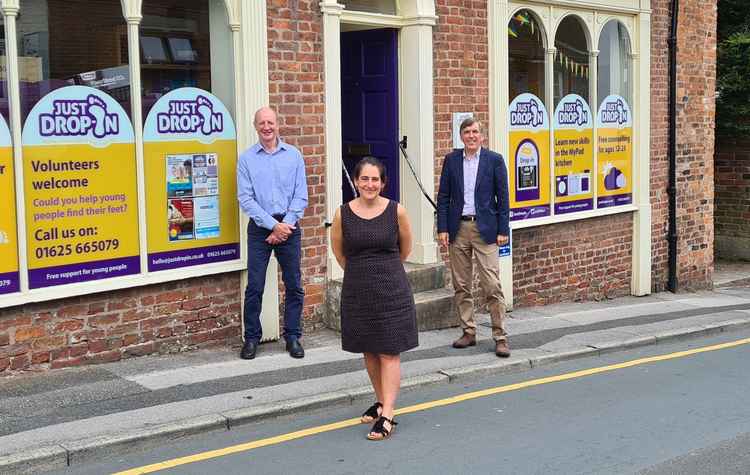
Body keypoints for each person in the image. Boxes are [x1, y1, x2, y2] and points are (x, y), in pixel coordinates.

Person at [331, 156, 417, 441]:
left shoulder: (397, 211)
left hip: (391, 288)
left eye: (375, 179)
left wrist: (382, 268)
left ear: (383, 183)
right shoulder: (343, 213)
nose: (370, 184)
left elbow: (404, 250)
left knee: (388, 351)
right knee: (368, 349)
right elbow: (340, 253)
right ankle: (381, 401)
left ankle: (388, 414)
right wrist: (361, 271)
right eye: (364, 179)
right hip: (358, 290)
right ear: (356, 181)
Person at [236, 107, 308, 360]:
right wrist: (272, 226)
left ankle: (292, 336)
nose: (267, 127)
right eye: (261, 123)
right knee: (254, 286)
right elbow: (246, 199)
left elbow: (301, 196)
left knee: (294, 285)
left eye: (271, 122)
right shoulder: (246, 159)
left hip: (289, 225)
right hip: (260, 229)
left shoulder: (294, 156)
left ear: (278, 125)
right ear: (255, 127)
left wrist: (284, 226)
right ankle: (252, 338)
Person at [436, 117, 511, 357]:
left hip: (485, 229)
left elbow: (504, 198)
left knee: (491, 284)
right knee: (461, 284)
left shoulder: (494, 161)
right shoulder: (451, 160)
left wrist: (503, 230)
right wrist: (443, 229)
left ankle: (500, 336)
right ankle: (468, 331)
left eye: (475, 132)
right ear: (461, 136)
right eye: (467, 132)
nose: (471, 136)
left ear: (482, 136)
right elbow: (444, 197)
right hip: (458, 228)